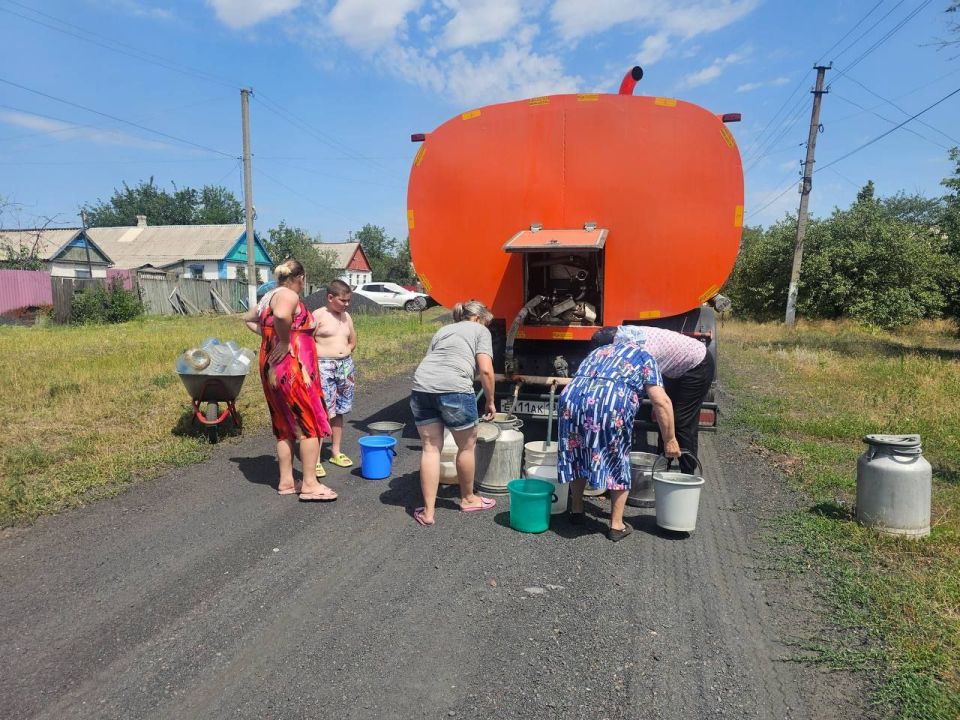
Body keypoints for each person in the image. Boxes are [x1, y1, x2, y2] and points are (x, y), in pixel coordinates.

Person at [558, 328, 680, 541]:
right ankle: (616, 525)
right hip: (608, 404)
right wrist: (670, 439)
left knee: (577, 451)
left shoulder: (600, 351)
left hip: (572, 400)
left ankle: (576, 510)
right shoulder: (644, 356)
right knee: (617, 457)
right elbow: (661, 401)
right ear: (640, 342)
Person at [241, 260, 337, 502]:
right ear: (301, 278)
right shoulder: (287, 294)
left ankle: (286, 481)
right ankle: (310, 484)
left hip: (272, 367)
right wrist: (284, 341)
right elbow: (283, 315)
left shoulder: (269, 296)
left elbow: (248, 318)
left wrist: (270, 336)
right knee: (309, 423)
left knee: (284, 424)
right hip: (293, 367)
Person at [409, 300, 497, 526]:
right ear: (478, 318)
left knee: (430, 448)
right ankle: (468, 499)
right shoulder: (480, 330)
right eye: (486, 321)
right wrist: (490, 400)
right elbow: (486, 370)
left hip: (421, 387)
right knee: (466, 447)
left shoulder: (443, 330)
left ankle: (428, 512)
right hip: (454, 388)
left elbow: (432, 359)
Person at [614, 325, 715, 475]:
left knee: (682, 421)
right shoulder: (622, 337)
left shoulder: (639, 353)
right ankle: (662, 467)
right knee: (666, 418)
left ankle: (687, 474)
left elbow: (657, 400)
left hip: (697, 364)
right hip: (675, 366)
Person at [312, 279, 358, 470]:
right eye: (343, 300)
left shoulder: (346, 316)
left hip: (345, 366)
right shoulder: (318, 315)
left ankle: (335, 452)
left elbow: (353, 339)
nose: (346, 304)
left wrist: (347, 351)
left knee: (340, 410)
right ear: (330, 297)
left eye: (348, 300)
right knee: (323, 411)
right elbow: (306, 342)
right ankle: (314, 460)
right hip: (323, 366)